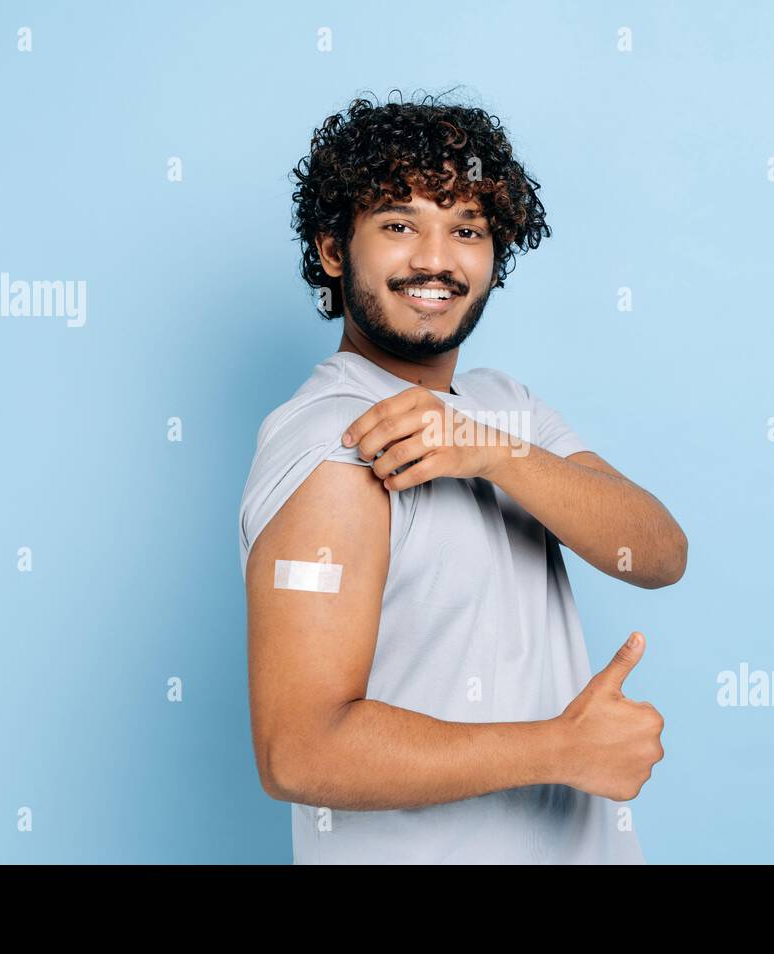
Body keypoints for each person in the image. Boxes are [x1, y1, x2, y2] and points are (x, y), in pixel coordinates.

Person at [238, 92, 686, 863]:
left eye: (467, 230)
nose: (435, 259)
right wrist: (561, 750)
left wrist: (492, 452)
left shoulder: (500, 408)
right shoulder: (338, 444)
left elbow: (656, 553)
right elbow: (299, 751)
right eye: (399, 224)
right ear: (334, 250)